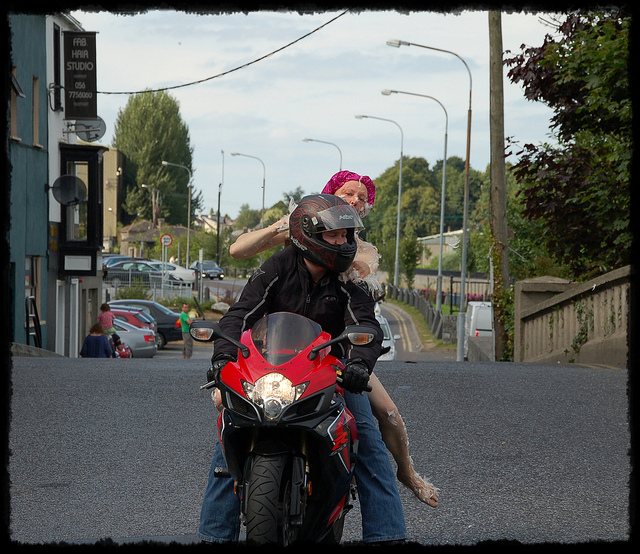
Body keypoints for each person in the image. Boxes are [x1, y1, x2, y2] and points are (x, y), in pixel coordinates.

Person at [198, 194, 407, 545]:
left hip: (332, 370)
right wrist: (223, 356)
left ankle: (386, 535)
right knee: (230, 435)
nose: (342, 242)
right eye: (333, 236)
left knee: (369, 441)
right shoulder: (277, 268)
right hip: (272, 371)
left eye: (345, 235)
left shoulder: (351, 277)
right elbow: (241, 314)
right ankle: (214, 536)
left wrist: (358, 364)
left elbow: (365, 325)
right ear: (307, 235)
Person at [227, 170, 439, 507]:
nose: (354, 200)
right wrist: (286, 226)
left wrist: (334, 243)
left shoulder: (356, 249)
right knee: (234, 425)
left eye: (362, 198)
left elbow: (359, 284)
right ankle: (217, 527)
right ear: (329, 194)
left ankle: (405, 477)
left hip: (335, 352)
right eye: (348, 193)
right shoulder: (296, 236)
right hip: (278, 352)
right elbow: (238, 250)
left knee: (379, 419)